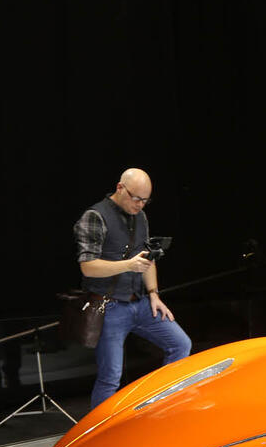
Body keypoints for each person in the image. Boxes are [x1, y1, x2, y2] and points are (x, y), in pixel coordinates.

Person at [74, 168, 191, 409]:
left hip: (140, 301)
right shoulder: (95, 216)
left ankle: (161, 406)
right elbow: (88, 267)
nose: (140, 205)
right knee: (110, 376)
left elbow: (148, 259)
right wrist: (128, 264)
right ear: (120, 188)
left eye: (145, 201)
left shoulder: (141, 217)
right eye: (136, 199)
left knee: (180, 345)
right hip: (109, 306)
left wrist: (154, 294)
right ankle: (100, 434)